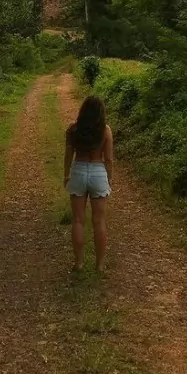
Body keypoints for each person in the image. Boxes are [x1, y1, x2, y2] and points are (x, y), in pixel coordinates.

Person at [63, 95, 113, 273]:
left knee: (78, 220)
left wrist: (66, 175)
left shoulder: (73, 129)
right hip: (98, 172)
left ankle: (79, 262)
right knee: (99, 221)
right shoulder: (105, 130)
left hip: (78, 170)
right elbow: (108, 159)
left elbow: (68, 155)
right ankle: (99, 265)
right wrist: (109, 178)